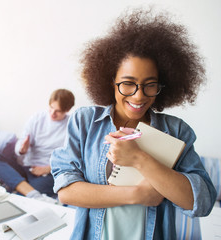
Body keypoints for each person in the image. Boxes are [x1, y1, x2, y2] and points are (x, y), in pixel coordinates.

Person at [50, 8, 217, 240]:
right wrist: (137, 195)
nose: (139, 96)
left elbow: (202, 202)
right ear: (111, 81)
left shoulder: (177, 131)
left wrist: (139, 158)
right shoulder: (85, 122)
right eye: (128, 84)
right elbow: (66, 191)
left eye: (150, 85)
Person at [0, 89, 75, 202]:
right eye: (51, 108)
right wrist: (22, 149)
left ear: (67, 110)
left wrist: (48, 169)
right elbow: (21, 144)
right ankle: (26, 189)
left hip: (48, 174)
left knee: (19, 198)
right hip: (26, 167)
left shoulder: (71, 126)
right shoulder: (37, 118)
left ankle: (20, 187)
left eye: (58, 111)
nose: (52, 113)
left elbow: (71, 158)